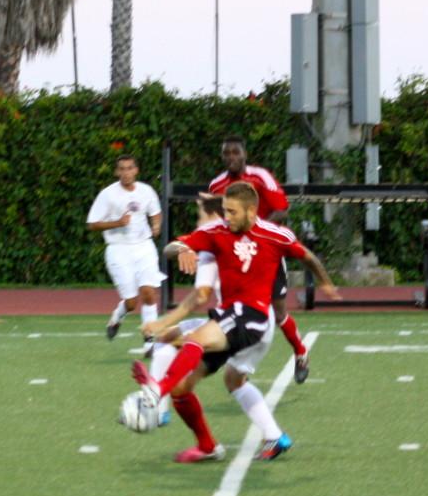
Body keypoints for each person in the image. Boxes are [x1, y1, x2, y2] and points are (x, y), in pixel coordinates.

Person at [132, 182, 341, 463]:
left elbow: (307, 257)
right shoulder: (215, 234)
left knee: (194, 339)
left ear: (251, 210)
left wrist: (326, 283)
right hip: (231, 318)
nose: (226, 217)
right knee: (205, 384)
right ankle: (235, 442)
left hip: (253, 317)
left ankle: (157, 390)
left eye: (232, 212)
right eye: (224, 211)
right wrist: (181, 249)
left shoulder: (275, 235)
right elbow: (172, 247)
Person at [208, 135, 314, 383]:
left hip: (266, 254)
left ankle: (300, 352)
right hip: (236, 259)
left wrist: (254, 231)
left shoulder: (260, 177)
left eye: (236, 152)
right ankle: (241, 369)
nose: (231, 157)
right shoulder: (217, 185)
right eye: (227, 153)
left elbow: (282, 209)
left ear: (244, 154)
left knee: (278, 312)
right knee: (237, 311)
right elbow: (214, 220)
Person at [86, 154, 164, 341]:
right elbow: (92, 224)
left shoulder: (146, 191)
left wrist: (156, 226)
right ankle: (117, 316)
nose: (126, 172)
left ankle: (150, 341)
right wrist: (118, 223)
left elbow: (156, 212)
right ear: (116, 171)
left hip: (144, 246)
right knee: (131, 302)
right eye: (122, 169)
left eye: (130, 168)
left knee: (149, 292)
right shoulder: (108, 194)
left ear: (136, 170)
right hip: (118, 249)